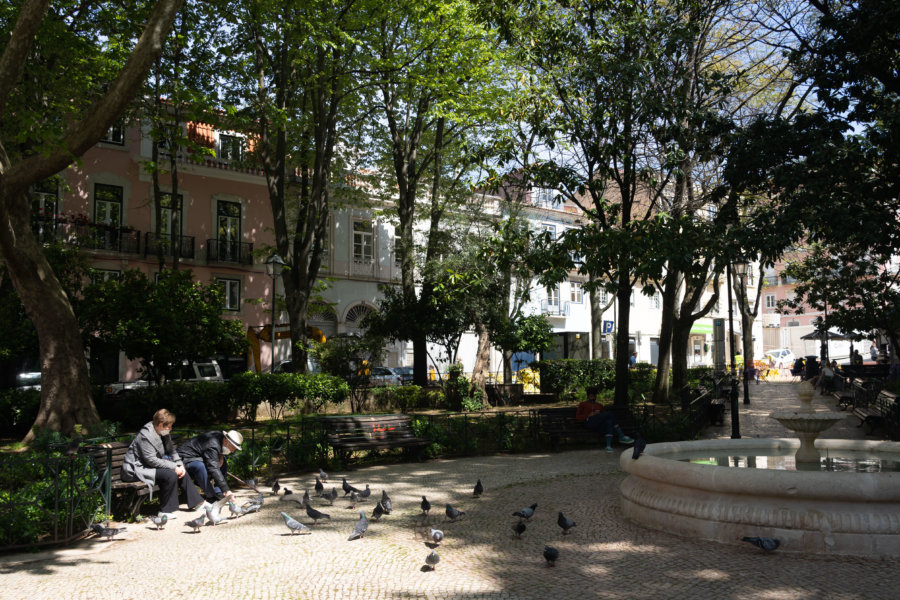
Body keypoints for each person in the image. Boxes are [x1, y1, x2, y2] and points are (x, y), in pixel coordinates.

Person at [120, 408, 204, 518]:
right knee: (170, 474)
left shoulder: (163, 431)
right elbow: (151, 460)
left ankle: (198, 503)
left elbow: (171, 451)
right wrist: (174, 466)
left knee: (180, 471)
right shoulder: (146, 436)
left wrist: (179, 465)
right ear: (160, 425)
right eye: (169, 426)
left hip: (149, 466)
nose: (171, 428)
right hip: (135, 470)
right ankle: (165, 511)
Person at [177, 429, 243, 506]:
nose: (232, 451)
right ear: (226, 441)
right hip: (183, 461)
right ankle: (211, 496)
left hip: (198, 458)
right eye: (233, 447)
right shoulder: (212, 444)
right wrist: (227, 490)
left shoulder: (219, 438)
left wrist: (221, 455)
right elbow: (213, 468)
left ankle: (218, 492)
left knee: (222, 461)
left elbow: (215, 453)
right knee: (200, 466)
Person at [576, 387, 634, 452]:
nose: (592, 397)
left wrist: (598, 415)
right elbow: (578, 417)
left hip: (599, 425)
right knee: (609, 414)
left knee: (609, 421)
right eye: (591, 395)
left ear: (596, 396)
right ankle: (621, 435)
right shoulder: (583, 404)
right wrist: (588, 415)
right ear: (588, 396)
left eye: (594, 395)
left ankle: (608, 446)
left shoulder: (599, 405)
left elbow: (605, 417)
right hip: (589, 423)